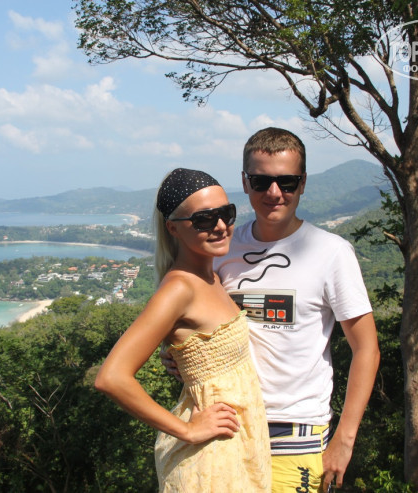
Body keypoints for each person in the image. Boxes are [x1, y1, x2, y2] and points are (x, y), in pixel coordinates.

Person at [162, 128, 380, 492]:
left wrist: (345, 438)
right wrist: (180, 355)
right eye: (261, 181)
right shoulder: (222, 247)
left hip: (295, 430)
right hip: (227, 427)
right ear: (245, 183)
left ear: (303, 183)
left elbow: (367, 349)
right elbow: (196, 317)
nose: (274, 193)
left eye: (287, 181)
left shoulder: (331, 253)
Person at [94, 168, 271, 492]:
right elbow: (111, 377)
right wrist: (186, 430)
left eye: (226, 213)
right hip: (211, 459)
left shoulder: (211, 276)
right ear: (173, 228)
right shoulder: (179, 289)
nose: (221, 226)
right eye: (204, 219)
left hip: (237, 447)